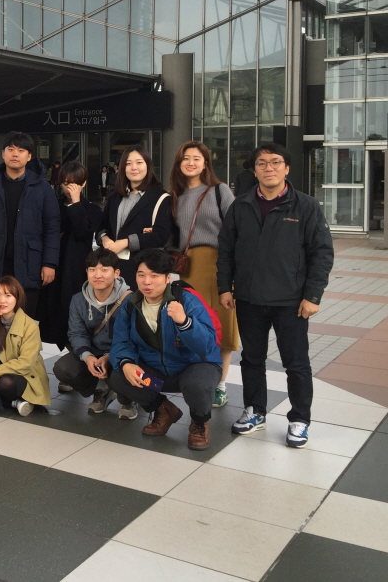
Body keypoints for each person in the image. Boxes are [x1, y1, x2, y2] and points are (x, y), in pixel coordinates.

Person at [219, 142, 334, 449]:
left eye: (275, 162)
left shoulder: (305, 206)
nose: (268, 168)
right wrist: (224, 287)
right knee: (251, 359)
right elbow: (226, 250)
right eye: (262, 163)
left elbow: (322, 253)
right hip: (248, 298)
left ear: (287, 168)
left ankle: (299, 419)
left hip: (291, 301)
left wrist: (313, 296)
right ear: (254, 171)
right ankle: (255, 410)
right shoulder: (240, 206)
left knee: (296, 363)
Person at [109, 250, 221, 451]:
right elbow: (121, 340)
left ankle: (199, 422)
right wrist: (126, 363)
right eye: (141, 275)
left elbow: (207, 346)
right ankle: (164, 410)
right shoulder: (131, 304)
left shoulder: (186, 301)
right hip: (157, 376)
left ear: (168, 278)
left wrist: (185, 322)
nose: (147, 282)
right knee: (119, 376)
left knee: (197, 385)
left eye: (154, 275)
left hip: (193, 367)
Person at [169, 141, 237, 408]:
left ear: (206, 163)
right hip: (189, 267)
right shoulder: (175, 196)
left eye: (196, 158)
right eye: (185, 158)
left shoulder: (219, 191)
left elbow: (236, 228)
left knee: (224, 324)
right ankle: (201, 380)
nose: (191, 163)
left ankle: (220, 385)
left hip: (219, 264)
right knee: (195, 324)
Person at [0, 131, 60, 318]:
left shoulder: (43, 189)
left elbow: (52, 228)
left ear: (29, 156)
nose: (15, 154)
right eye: (10, 149)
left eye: (21, 150)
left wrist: (49, 263)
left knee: (25, 324)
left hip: (30, 264)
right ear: (3, 153)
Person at [52, 248, 136, 418]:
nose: (98, 275)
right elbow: (76, 333)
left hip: (120, 353)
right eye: (92, 270)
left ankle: (128, 399)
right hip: (94, 351)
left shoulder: (130, 301)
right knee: (63, 368)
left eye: (104, 270)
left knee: (120, 371)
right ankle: (101, 390)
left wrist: (110, 357)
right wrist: (88, 357)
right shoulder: (78, 300)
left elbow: (133, 339)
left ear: (116, 273)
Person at [43, 161, 103, 348]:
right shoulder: (54, 206)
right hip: (54, 264)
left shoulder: (92, 209)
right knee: (53, 311)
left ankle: (76, 348)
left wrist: (76, 203)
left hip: (77, 267)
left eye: (75, 183)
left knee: (74, 310)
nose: (70, 188)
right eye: (66, 183)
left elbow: (82, 232)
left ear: (83, 183)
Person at [0, 276, 51, 416]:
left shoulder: (30, 325)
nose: (2, 300)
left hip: (27, 375)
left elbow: (25, 363)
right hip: (4, 367)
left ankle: (12, 400)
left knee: (5, 383)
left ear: (17, 298)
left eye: (8, 295)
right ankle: (15, 403)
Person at [97, 145, 173, 291]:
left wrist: (126, 242)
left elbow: (161, 235)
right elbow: (102, 227)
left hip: (143, 269)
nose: (134, 168)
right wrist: (105, 239)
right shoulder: (115, 197)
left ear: (148, 165)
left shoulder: (161, 198)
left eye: (139, 162)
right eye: (128, 163)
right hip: (113, 266)